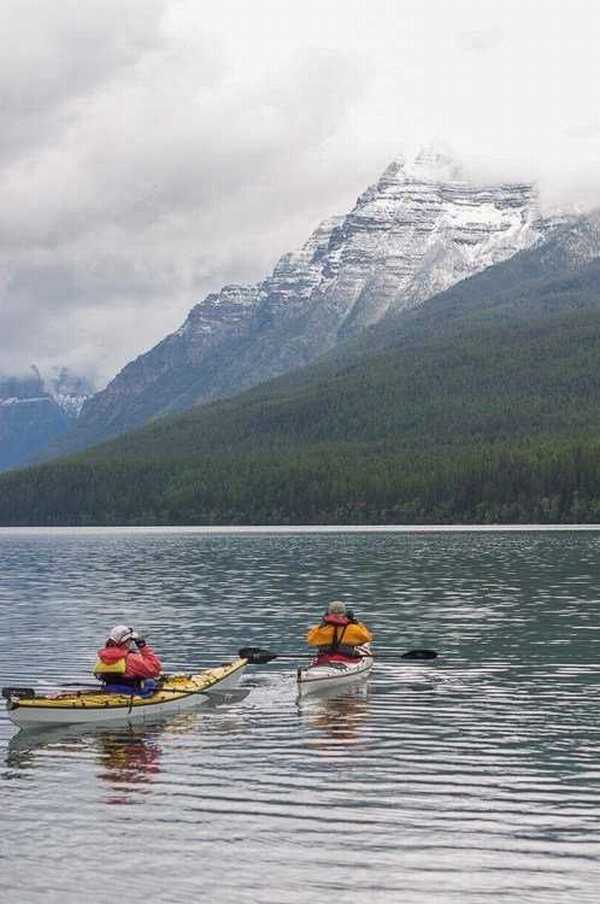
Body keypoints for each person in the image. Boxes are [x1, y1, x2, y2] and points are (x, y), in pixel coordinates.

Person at [94, 624, 162, 690]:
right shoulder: (131, 658)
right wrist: (142, 646)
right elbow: (155, 670)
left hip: (108, 688)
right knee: (150, 682)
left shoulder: (102, 657)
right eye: (130, 640)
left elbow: (98, 675)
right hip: (130, 692)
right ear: (126, 641)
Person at [305, 601, 373, 658]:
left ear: (329, 613)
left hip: (325, 655)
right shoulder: (353, 628)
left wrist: (322, 624)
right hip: (347, 655)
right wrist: (357, 623)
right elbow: (367, 638)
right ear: (344, 613)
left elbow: (310, 640)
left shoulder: (322, 629)